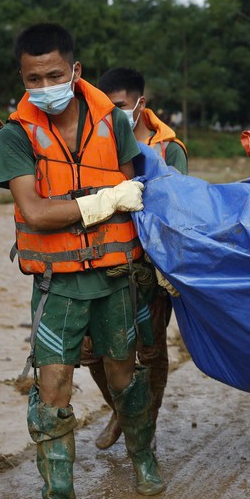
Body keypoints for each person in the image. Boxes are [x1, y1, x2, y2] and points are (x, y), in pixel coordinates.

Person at [0, 23, 165, 499]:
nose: (44, 85)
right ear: (22, 80)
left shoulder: (114, 124)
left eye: (53, 74)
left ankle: (142, 455)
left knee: (122, 374)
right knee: (51, 392)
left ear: (75, 71)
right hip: (56, 286)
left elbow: (143, 192)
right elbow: (36, 213)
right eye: (32, 78)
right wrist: (102, 202)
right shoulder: (15, 136)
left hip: (115, 278)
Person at [81, 66, 189, 450]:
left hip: (150, 266)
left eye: (120, 107)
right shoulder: (94, 142)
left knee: (151, 348)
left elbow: (177, 208)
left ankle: (144, 422)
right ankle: (123, 413)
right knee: (91, 349)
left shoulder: (169, 150)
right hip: (103, 259)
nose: (112, 115)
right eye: (105, 107)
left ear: (141, 105)